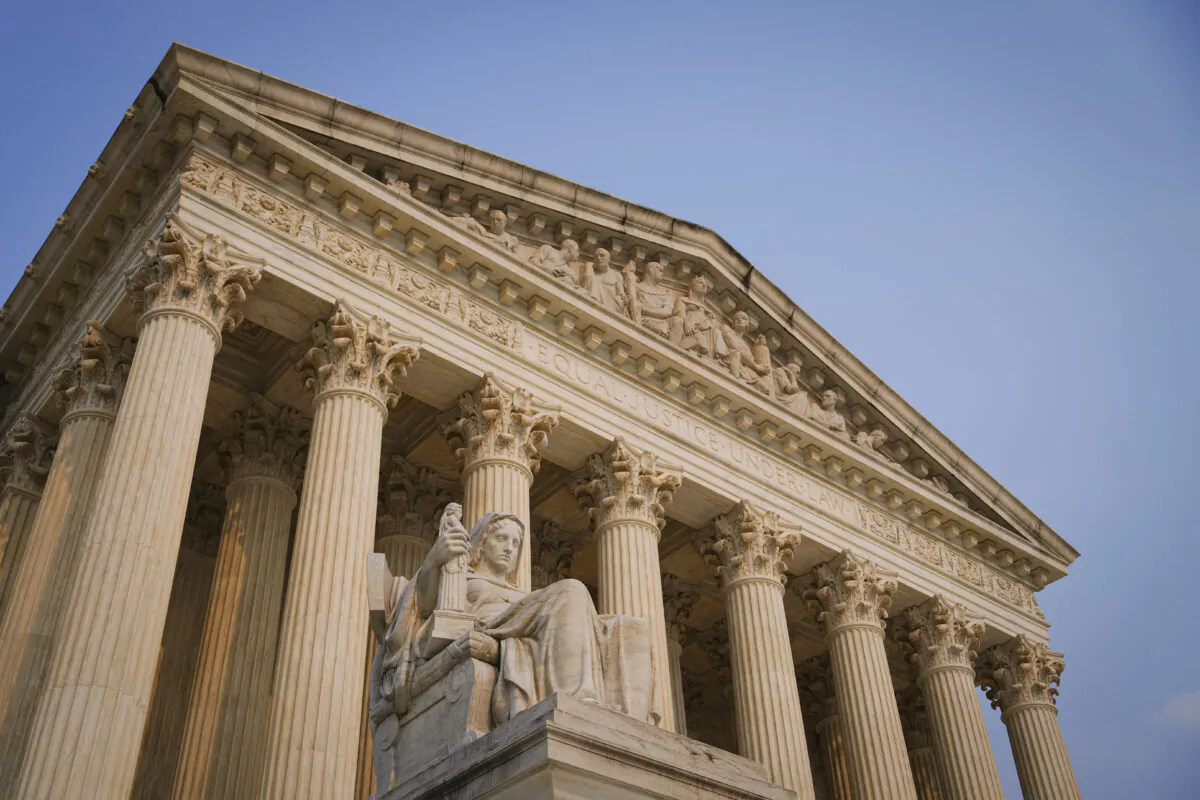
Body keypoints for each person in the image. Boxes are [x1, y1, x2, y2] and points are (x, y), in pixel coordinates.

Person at [373, 511, 658, 730]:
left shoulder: (524, 594)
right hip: (493, 625)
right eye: (501, 539)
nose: (510, 548)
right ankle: (578, 701)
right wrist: (436, 558)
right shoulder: (461, 577)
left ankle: (630, 727)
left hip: (528, 628)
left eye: (516, 542)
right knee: (571, 590)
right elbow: (421, 607)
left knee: (633, 627)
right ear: (481, 545)